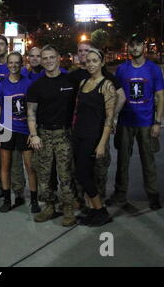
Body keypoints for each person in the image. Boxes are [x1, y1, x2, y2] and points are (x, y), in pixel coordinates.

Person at [107, 33, 164, 210]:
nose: (135, 48)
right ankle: (120, 194)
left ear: (144, 48)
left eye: (138, 45)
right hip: (126, 121)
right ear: (128, 48)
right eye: (132, 45)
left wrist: (157, 122)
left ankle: (153, 196)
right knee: (122, 161)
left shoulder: (153, 69)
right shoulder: (122, 69)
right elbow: (118, 95)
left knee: (148, 161)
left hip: (146, 122)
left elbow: (160, 96)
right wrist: (114, 118)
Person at [27, 44, 77, 227]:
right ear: (41, 60)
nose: (48, 61)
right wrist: (34, 135)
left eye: (51, 57)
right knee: (44, 175)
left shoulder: (70, 81)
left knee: (66, 175)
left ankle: (68, 209)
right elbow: (31, 112)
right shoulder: (36, 85)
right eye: (44, 58)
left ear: (58, 58)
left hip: (64, 134)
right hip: (44, 134)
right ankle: (49, 207)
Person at [70, 41, 126, 200]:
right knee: (81, 169)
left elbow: (122, 97)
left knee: (98, 169)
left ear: (101, 61)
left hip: (98, 131)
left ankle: (97, 203)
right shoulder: (78, 78)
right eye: (81, 51)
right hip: (80, 131)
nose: (84, 54)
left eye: (87, 51)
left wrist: (111, 118)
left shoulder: (106, 78)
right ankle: (84, 202)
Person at [72, 48, 116, 226]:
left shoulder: (107, 85)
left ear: (102, 62)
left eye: (94, 61)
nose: (90, 64)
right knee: (82, 173)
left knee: (84, 174)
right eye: (88, 61)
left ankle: (101, 211)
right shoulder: (83, 83)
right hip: (79, 134)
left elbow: (109, 117)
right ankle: (93, 210)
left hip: (93, 136)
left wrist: (102, 143)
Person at [0, 52, 40, 213]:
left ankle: (34, 200)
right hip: (6, 128)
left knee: (30, 166)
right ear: (7, 65)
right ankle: (7, 199)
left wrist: (33, 132)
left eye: (16, 63)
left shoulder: (28, 83)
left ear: (21, 64)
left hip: (25, 130)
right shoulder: (2, 85)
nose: (13, 65)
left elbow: (33, 109)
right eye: (10, 63)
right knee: (5, 165)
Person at [0, 35, 26, 206]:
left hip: (16, 117)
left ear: (7, 46)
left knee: (16, 159)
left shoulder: (18, 68)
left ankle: (18, 190)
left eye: (1, 44)